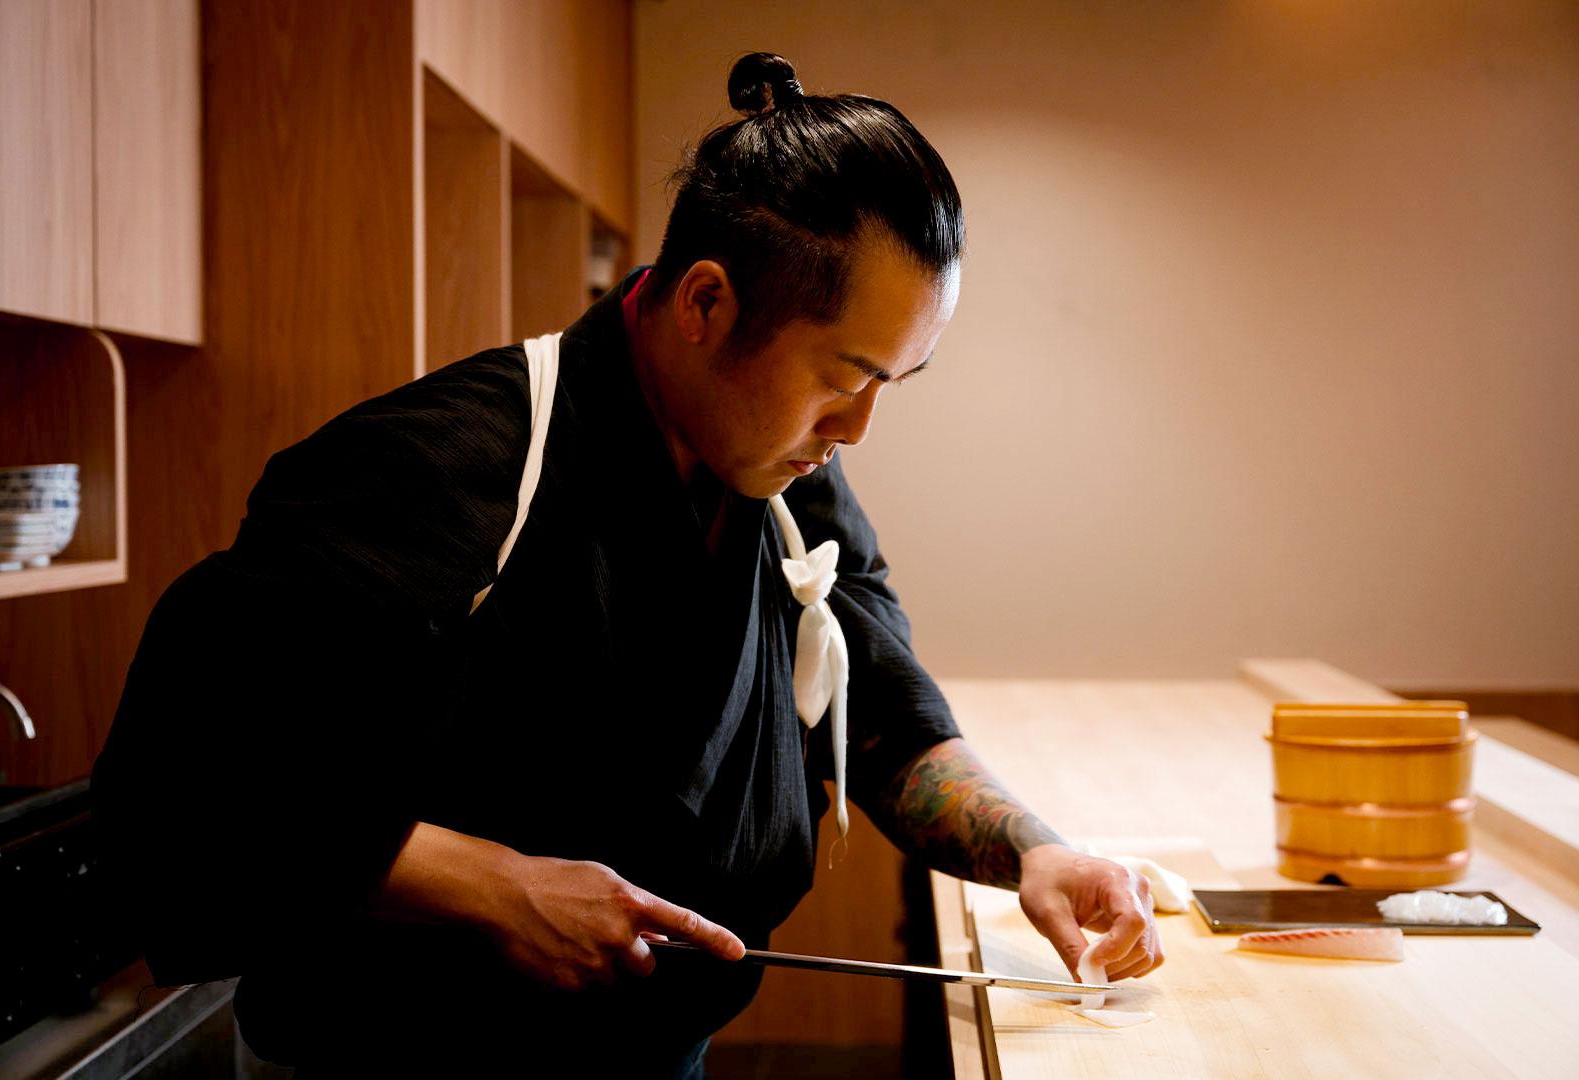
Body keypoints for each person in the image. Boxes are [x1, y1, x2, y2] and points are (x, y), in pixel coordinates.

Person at [92, 52, 1163, 1076]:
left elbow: (881, 718)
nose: (859, 427)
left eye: (897, 381)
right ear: (704, 303)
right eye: (845, 375)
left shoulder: (785, 480)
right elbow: (179, 790)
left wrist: (1030, 850)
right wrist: (490, 885)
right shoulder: (444, 465)